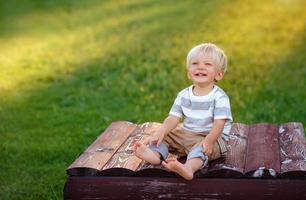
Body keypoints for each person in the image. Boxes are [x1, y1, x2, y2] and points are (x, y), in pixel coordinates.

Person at [133, 43, 232, 180]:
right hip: (187, 133)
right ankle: (155, 155)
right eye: (195, 63)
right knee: (165, 136)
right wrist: (161, 131)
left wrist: (209, 141)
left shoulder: (219, 97)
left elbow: (219, 124)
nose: (200, 67)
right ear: (188, 73)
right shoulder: (184, 95)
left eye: (207, 64)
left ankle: (188, 168)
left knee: (201, 149)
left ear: (219, 74)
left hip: (211, 137)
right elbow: (173, 118)